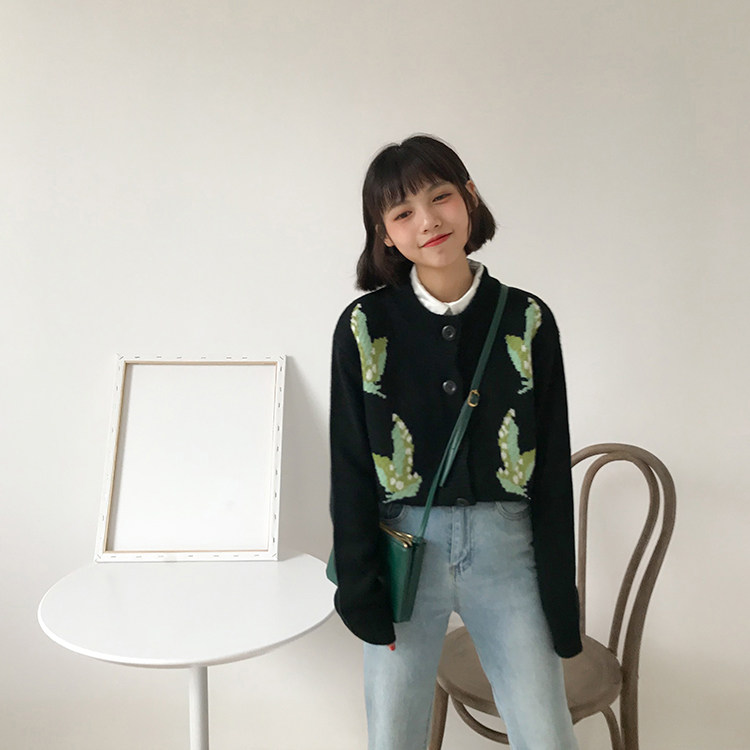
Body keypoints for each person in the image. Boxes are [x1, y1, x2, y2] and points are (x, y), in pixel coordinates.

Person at [329, 134, 581, 750]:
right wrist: (360, 588)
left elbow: (552, 463)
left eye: (440, 196)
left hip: (509, 553)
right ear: (385, 234)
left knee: (546, 735)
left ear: (469, 197)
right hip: (404, 551)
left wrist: (560, 593)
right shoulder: (364, 326)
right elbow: (350, 464)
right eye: (402, 212)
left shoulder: (527, 319)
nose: (428, 221)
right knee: (394, 736)